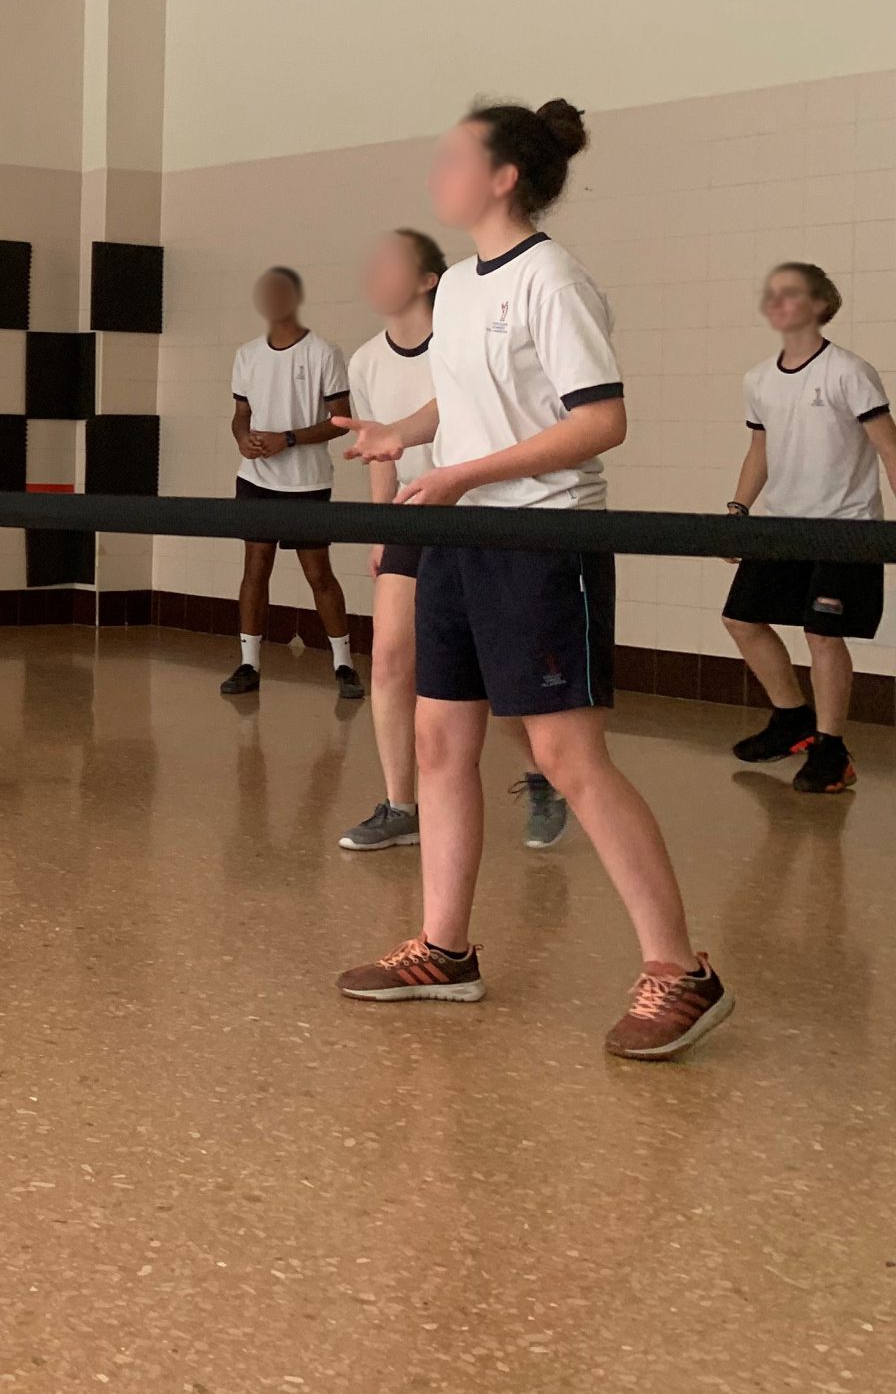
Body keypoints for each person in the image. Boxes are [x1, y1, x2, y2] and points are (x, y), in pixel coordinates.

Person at [333, 98, 733, 1061]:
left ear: (505, 176)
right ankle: (444, 949)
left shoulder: (553, 279)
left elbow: (599, 420)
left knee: (567, 759)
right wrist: (408, 433)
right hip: (463, 538)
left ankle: (681, 970)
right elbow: (469, 388)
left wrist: (467, 471)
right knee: (439, 742)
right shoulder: (465, 285)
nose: (437, 170)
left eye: (453, 156)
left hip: (540, 541)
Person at [337, 230, 568, 854]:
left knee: (485, 671)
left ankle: (544, 775)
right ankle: (400, 806)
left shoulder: (464, 339)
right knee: (388, 657)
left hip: (476, 509)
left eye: (391, 260)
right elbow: (378, 447)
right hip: (414, 516)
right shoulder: (364, 360)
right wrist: (380, 525)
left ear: (427, 280)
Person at [722, 262, 895, 793]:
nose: (777, 301)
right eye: (772, 292)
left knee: (822, 633)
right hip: (783, 529)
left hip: (845, 530)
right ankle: (792, 720)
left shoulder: (849, 372)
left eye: (791, 293)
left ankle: (831, 748)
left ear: (821, 304)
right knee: (741, 620)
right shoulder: (758, 378)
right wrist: (738, 510)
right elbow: (760, 449)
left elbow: (888, 446)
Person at [223, 267, 362, 699]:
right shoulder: (246, 354)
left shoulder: (323, 352)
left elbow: (341, 421)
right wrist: (243, 440)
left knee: (318, 573)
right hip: (256, 480)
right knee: (255, 569)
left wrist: (289, 439)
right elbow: (241, 415)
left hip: (306, 482)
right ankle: (249, 663)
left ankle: (343, 664)